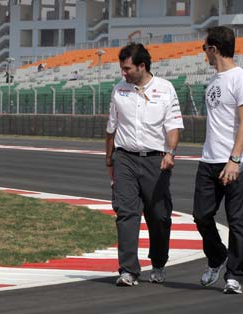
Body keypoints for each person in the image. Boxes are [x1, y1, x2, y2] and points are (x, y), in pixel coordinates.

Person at [105, 43, 184, 286]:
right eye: (122, 69)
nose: (123, 73)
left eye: (127, 68)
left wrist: (170, 152)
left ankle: (158, 262)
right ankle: (128, 270)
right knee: (126, 213)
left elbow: (173, 126)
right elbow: (111, 129)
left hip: (156, 160)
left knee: (159, 215)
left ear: (142, 66)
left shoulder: (165, 89)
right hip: (125, 158)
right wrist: (110, 161)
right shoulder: (119, 90)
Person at [193, 26, 243, 294]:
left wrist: (235, 159)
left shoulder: (240, 78)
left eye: (205, 49)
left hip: (235, 161)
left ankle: (234, 275)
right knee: (201, 216)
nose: (204, 55)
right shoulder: (212, 81)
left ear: (213, 49)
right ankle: (217, 256)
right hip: (208, 159)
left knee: (237, 221)